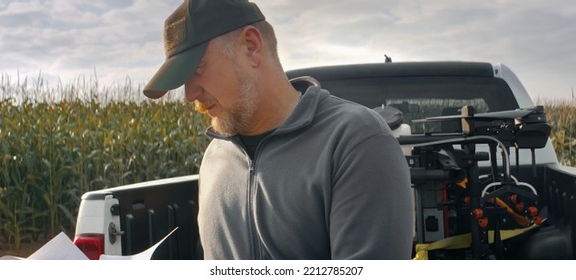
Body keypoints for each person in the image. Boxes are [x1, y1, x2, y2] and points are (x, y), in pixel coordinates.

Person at [142, 0, 413, 260]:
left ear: (251, 45)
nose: (190, 94)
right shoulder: (214, 157)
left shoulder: (355, 141)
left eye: (197, 69)